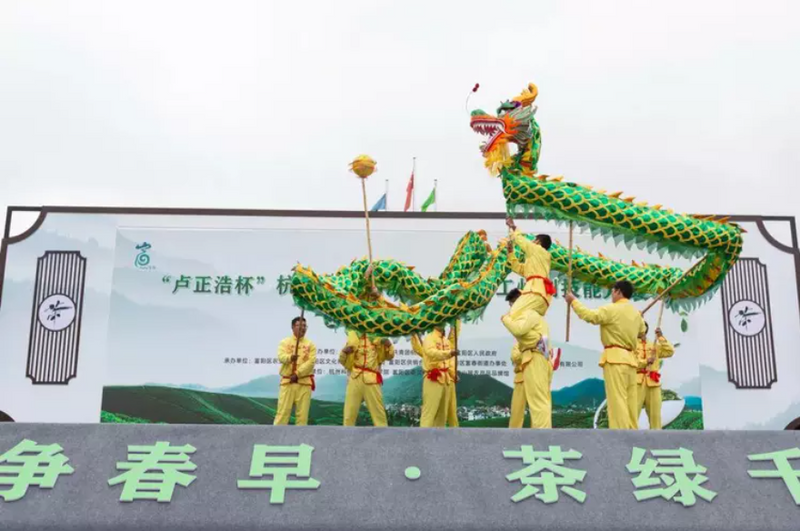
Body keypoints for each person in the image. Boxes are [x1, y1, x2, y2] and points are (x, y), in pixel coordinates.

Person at [565, 280, 645, 430]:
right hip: (631, 361)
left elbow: (590, 316)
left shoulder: (612, 309)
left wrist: (573, 301)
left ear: (618, 291)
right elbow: (642, 331)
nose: (612, 294)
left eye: (613, 291)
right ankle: (632, 435)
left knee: (617, 401)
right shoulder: (635, 313)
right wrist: (636, 318)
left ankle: (620, 435)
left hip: (615, 359)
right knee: (631, 403)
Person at [502, 288, 553, 429]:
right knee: (540, 402)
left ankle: (542, 436)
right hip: (536, 359)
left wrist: (505, 319)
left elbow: (519, 331)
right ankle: (543, 435)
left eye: (513, 305)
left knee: (538, 402)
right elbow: (528, 342)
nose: (512, 309)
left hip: (534, 358)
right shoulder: (534, 317)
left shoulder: (530, 314)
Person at [504, 217, 555, 329]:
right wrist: (510, 252)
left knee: (512, 315)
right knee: (526, 323)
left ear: (537, 242)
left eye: (533, 240)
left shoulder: (537, 249)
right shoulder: (537, 261)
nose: (531, 242)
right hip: (542, 298)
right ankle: (539, 338)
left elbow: (521, 240)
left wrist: (513, 227)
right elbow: (518, 268)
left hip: (534, 293)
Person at [339, 330, 395, 426]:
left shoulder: (378, 338)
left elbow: (390, 355)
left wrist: (389, 344)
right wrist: (344, 351)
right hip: (355, 378)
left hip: (372, 379)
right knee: (349, 415)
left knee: (379, 415)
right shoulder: (353, 339)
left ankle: (383, 435)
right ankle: (346, 435)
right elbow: (343, 361)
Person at [411, 325, 458, 428]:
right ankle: (423, 435)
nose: (442, 323)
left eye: (444, 320)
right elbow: (431, 352)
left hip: (446, 379)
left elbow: (450, 360)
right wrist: (449, 353)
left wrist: (453, 374)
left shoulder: (446, 341)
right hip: (433, 377)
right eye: (439, 320)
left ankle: (438, 436)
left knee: (442, 413)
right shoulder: (429, 338)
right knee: (429, 410)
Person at [274, 316, 317, 426]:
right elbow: (281, 356)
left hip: (304, 383)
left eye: (304, 326)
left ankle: (301, 436)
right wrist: (290, 358)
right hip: (288, 382)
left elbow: (311, 362)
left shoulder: (311, 344)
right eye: (299, 325)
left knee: (302, 416)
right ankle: (277, 435)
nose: (303, 328)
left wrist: (297, 374)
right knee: (282, 414)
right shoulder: (284, 342)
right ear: (293, 327)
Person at [636, 322, 675, 429]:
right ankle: (630, 437)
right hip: (636, 383)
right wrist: (645, 362)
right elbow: (631, 362)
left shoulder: (654, 346)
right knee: (633, 414)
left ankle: (656, 437)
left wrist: (660, 337)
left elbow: (670, 351)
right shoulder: (631, 346)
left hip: (653, 382)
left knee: (655, 416)